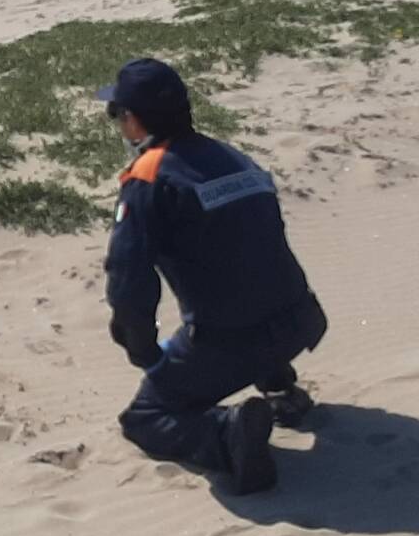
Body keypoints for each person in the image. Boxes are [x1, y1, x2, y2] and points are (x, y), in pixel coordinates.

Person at [98, 58, 328, 495]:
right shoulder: (233, 157)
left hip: (231, 339)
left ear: (134, 120)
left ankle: (226, 436)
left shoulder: (149, 176)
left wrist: (143, 350)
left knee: (146, 417)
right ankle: (280, 386)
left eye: (117, 114)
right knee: (244, 279)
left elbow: (128, 282)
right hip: (301, 318)